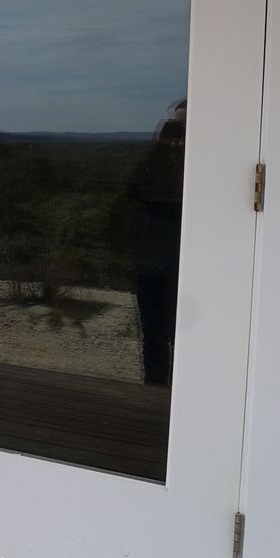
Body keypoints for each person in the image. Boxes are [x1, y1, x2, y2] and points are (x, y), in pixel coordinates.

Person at [127, 100, 186, 386]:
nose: (179, 137)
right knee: (153, 334)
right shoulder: (153, 166)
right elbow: (134, 190)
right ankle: (155, 394)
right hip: (152, 260)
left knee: (186, 336)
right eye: (175, 129)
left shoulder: (203, 168)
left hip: (182, 262)